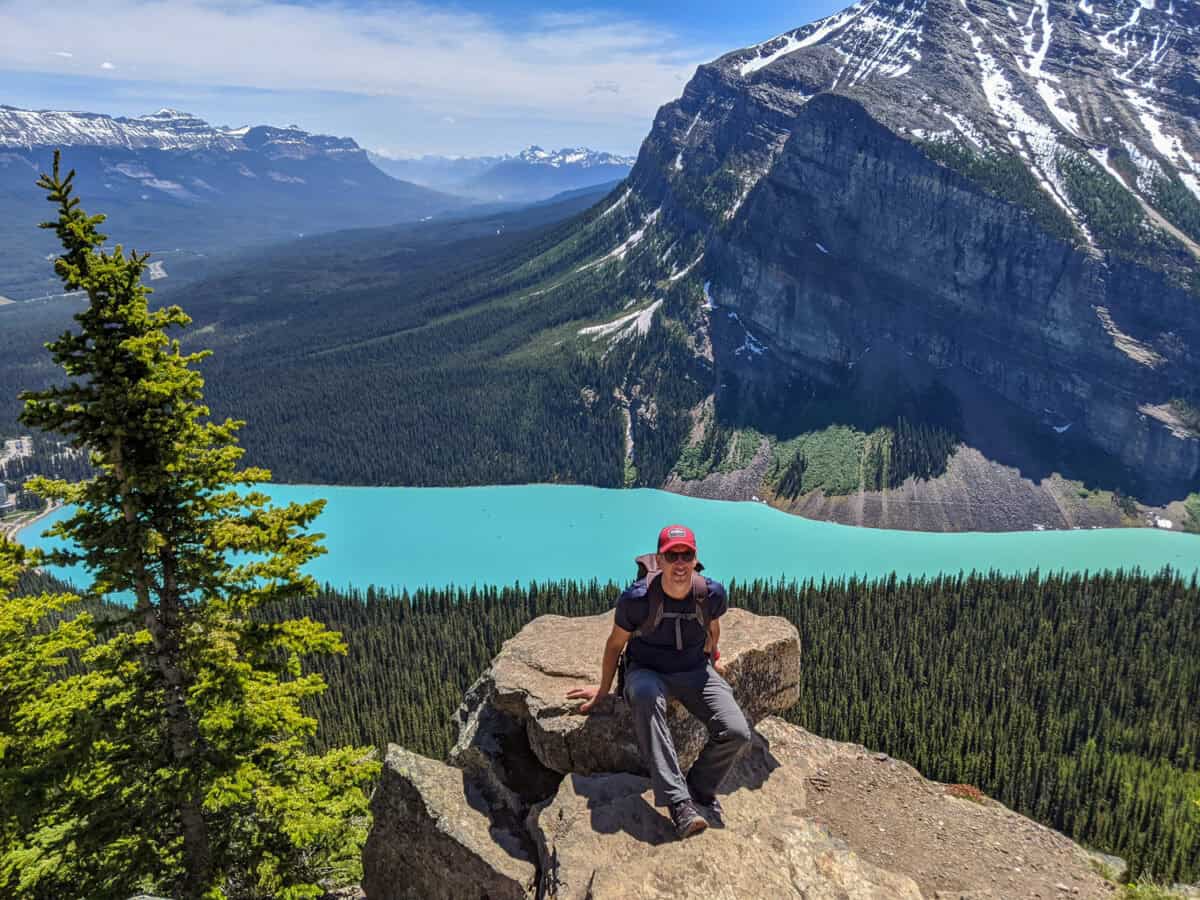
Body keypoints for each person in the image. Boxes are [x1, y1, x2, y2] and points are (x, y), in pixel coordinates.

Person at [566, 524, 752, 839]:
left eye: (686, 555)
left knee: (736, 731)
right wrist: (603, 690)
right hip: (647, 671)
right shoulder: (637, 599)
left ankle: (699, 788)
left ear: (696, 559)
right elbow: (615, 645)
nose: (679, 563)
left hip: (695, 671)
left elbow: (713, 629)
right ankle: (679, 804)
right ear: (660, 560)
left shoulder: (711, 594)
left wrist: (714, 657)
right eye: (671, 556)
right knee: (644, 694)